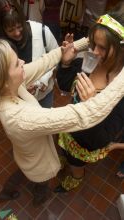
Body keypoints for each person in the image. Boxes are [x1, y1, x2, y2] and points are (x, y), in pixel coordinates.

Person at [0, 37, 124, 206]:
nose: (23, 61)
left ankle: (8, 192)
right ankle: (38, 199)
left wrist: (87, 41)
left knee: (23, 172)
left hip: (27, 157)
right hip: (40, 168)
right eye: (16, 63)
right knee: (40, 184)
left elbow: (45, 61)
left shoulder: (6, 86)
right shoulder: (20, 118)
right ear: (2, 80)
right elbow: (84, 114)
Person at [55, 1, 124, 192]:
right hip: (69, 129)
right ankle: (66, 158)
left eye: (102, 47)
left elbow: (102, 139)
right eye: (93, 44)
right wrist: (66, 65)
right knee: (65, 152)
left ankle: (77, 177)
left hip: (85, 143)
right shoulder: (92, 60)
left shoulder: (120, 90)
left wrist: (93, 106)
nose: (93, 52)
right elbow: (65, 85)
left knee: (76, 162)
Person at [0, 0, 58, 108]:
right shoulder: (0, 46)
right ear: (2, 29)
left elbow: (56, 56)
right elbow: (2, 77)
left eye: (19, 27)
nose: (17, 33)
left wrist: (44, 80)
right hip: (18, 101)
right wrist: (21, 90)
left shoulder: (42, 31)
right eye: (11, 30)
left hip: (44, 95)